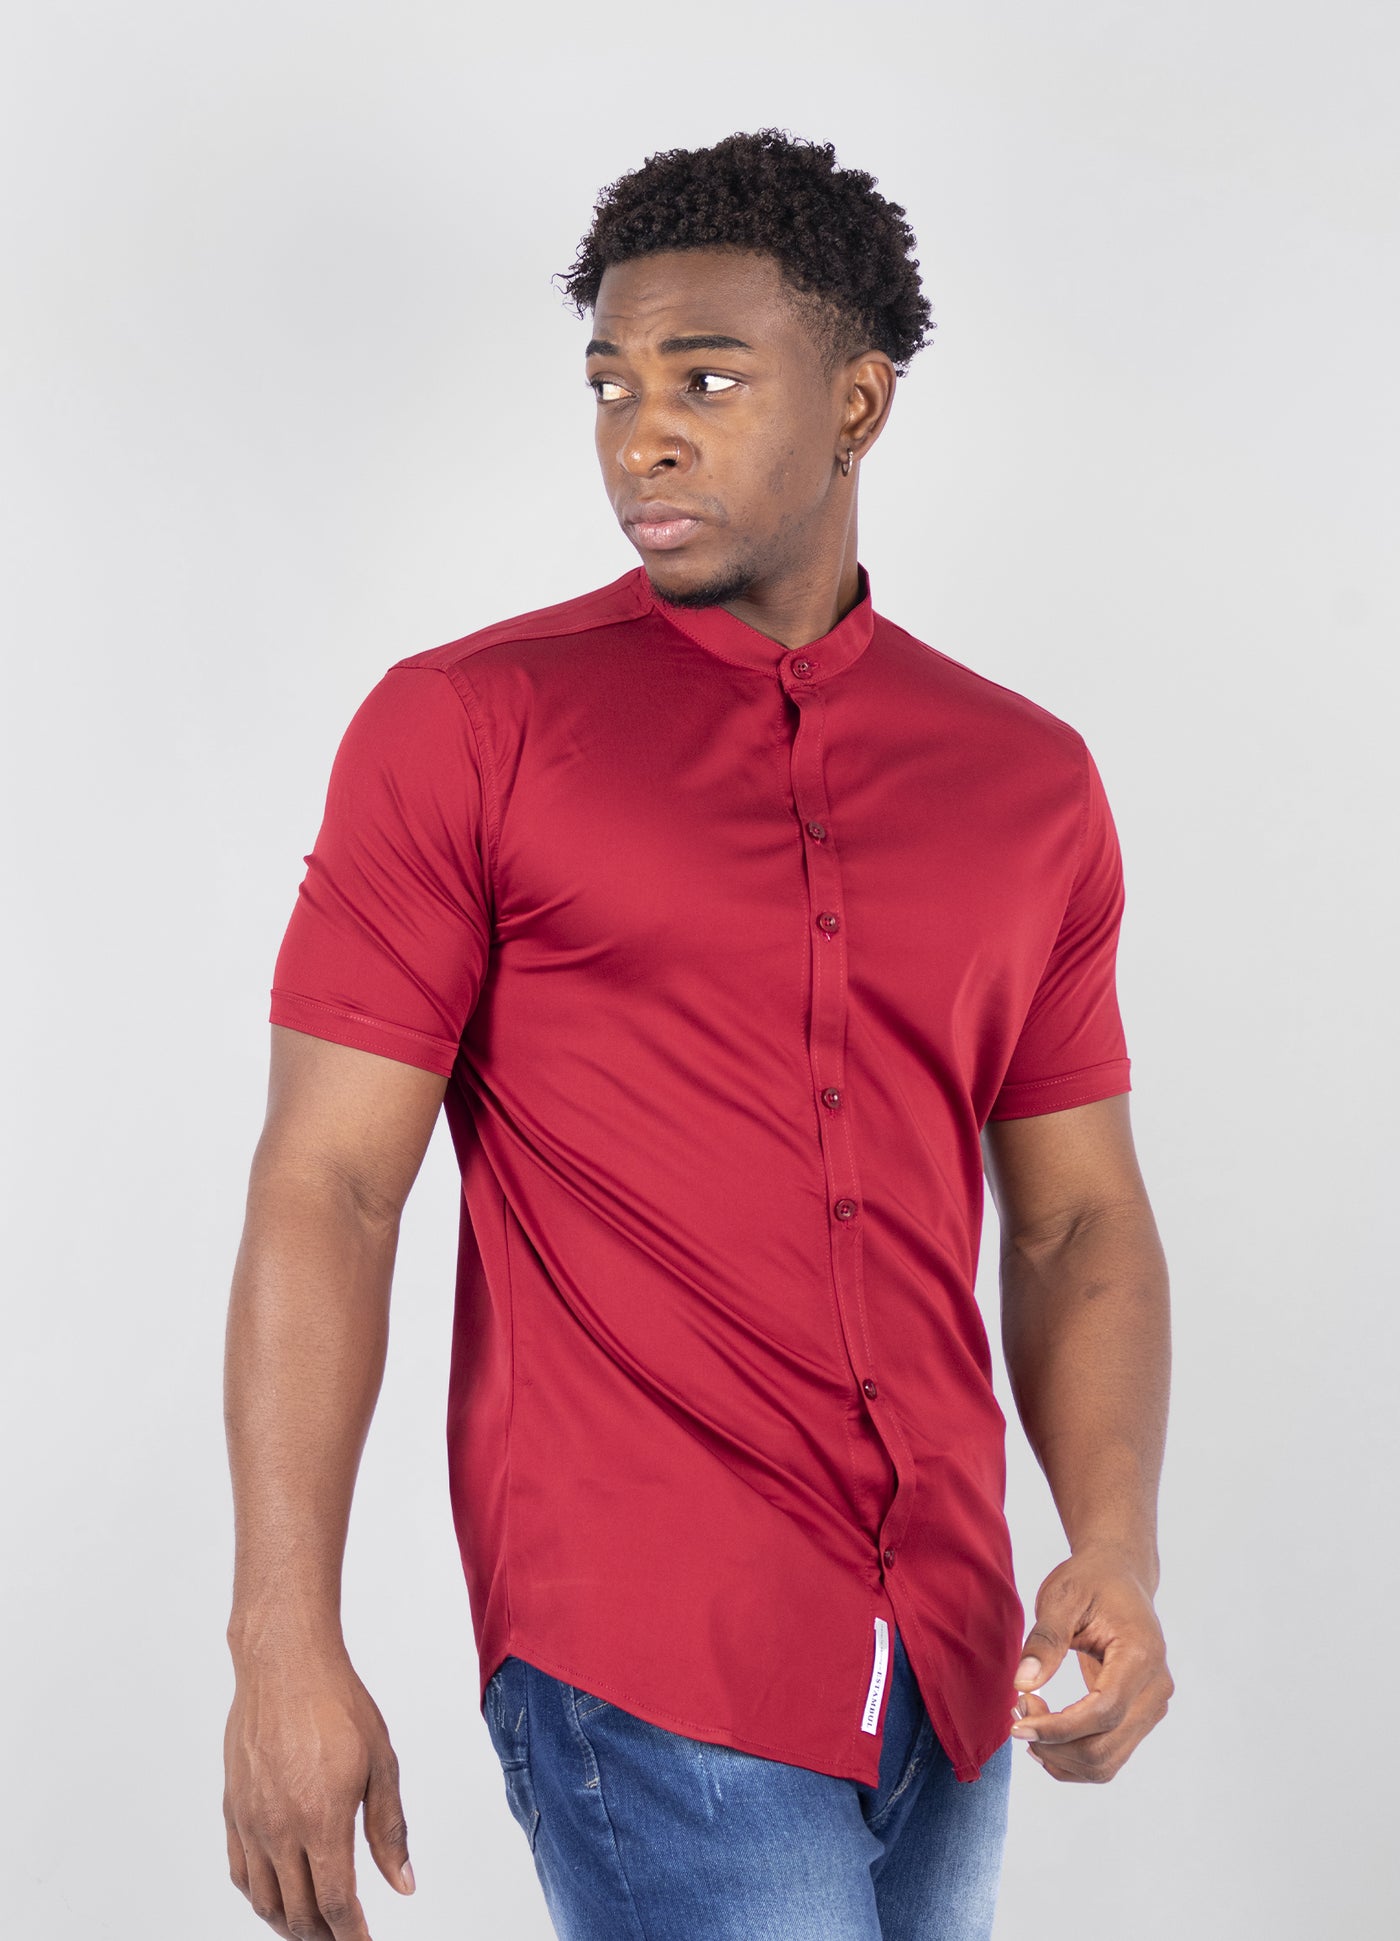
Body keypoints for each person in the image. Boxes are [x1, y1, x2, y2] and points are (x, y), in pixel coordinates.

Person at [222, 128, 1173, 1941]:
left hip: (954, 1658)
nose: (639, 435)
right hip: (648, 1650)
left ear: (859, 402)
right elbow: (330, 1185)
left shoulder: (1031, 781)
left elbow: (1076, 1218)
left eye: (706, 380)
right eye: (611, 384)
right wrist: (285, 1636)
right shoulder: (467, 727)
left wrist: (1112, 1542)